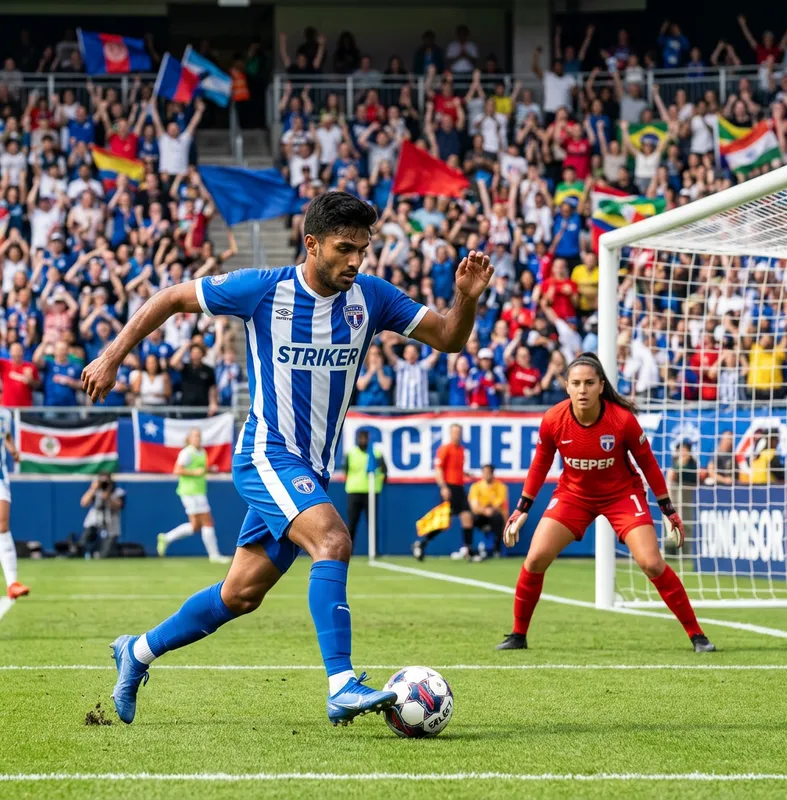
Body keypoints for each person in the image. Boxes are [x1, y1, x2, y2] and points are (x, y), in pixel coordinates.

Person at [81, 191, 494, 727]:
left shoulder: (372, 297)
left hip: (310, 468)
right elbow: (169, 297)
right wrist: (111, 356)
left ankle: (135, 652)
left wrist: (466, 298)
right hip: (266, 452)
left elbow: (449, 338)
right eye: (344, 248)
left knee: (240, 594)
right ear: (312, 244)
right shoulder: (263, 290)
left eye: (363, 250)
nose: (355, 261)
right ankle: (342, 683)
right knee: (334, 539)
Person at [496, 353, 716, 654]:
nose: (582, 389)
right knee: (534, 559)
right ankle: (518, 636)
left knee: (652, 563)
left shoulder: (622, 420)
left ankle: (697, 636)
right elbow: (539, 466)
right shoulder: (553, 420)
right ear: (566, 386)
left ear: (601, 385)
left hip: (621, 495)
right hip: (573, 496)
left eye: (589, 383)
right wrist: (522, 509)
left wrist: (668, 509)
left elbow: (649, 465)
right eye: (576, 383)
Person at [157, 428, 229, 564]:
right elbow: (177, 470)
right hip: (190, 492)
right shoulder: (187, 452)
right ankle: (214, 555)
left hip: (198, 491)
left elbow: (200, 470)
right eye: (195, 436)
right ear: (189, 438)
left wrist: (209, 470)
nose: (198, 438)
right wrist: (195, 472)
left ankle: (166, 538)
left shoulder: (202, 452)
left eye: (199, 436)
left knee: (195, 526)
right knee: (208, 521)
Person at [413, 424, 476, 561]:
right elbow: (439, 469)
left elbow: (454, 468)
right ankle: (421, 544)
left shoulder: (461, 450)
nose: (457, 435)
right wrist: (443, 487)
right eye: (455, 432)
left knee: (467, 517)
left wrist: (466, 473)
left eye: (459, 432)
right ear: (450, 433)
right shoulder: (445, 449)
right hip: (450, 488)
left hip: (459, 488)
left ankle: (468, 550)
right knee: (444, 523)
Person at [343, 429, 386, 545]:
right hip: (354, 491)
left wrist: (379, 482)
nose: (363, 440)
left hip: (371, 492)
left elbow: (384, 471)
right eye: (361, 438)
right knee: (352, 523)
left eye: (365, 438)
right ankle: (349, 550)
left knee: (372, 523)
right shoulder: (351, 453)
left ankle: (374, 550)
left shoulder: (376, 454)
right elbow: (346, 471)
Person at [0, 408, 26, 599]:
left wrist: (13, 450)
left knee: (2, 525)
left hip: (0, 476)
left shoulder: (5, 414)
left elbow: (6, 434)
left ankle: (12, 583)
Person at [77, 473, 127, 559]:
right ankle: (84, 553)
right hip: (96, 518)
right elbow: (83, 503)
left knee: (106, 552)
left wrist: (108, 495)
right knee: (85, 539)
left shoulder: (117, 491)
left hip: (111, 520)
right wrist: (93, 488)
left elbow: (118, 506)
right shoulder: (96, 491)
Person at [468, 464, 508, 558]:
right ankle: (469, 548)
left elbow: (500, 504)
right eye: (484, 472)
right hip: (480, 515)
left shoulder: (501, 486)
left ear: (493, 474)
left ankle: (497, 550)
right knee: (470, 518)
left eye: (488, 473)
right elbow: (474, 506)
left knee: (499, 518)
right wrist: (484, 511)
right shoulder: (476, 487)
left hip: (494, 515)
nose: (486, 475)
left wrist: (491, 510)